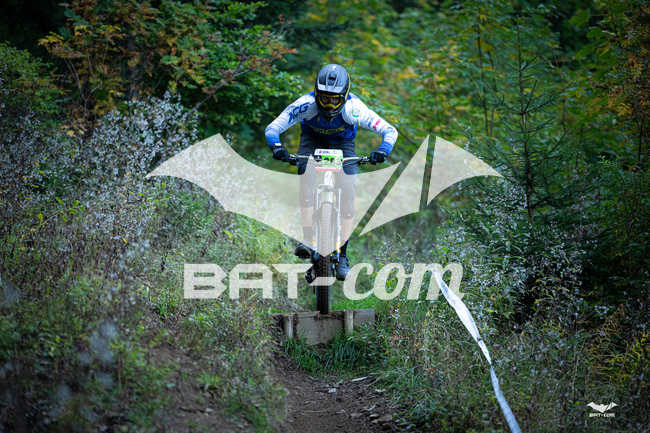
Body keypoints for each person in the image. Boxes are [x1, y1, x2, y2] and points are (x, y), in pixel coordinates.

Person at [265, 64, 398, 280]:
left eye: (335, 100)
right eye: (325, 99)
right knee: (306, 176)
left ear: (344, 97)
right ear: (316, 95)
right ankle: (307, 238)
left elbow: (389, 130)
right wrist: (277, 147)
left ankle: (343, 256)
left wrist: (383, 150)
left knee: (348, 190)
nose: (329, 105)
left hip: (343, 145)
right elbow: (273, 127)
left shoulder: (354, 109)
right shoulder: (306, 105)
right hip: (312, 141)